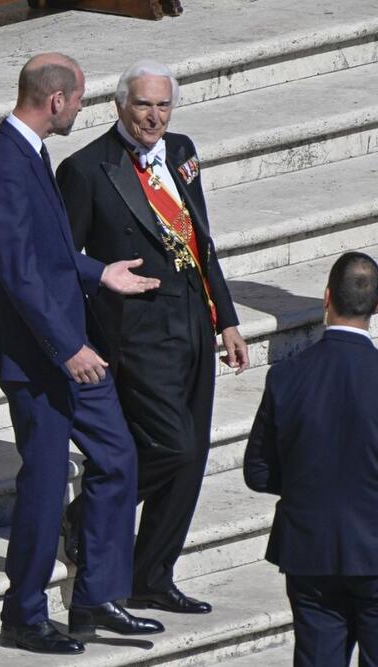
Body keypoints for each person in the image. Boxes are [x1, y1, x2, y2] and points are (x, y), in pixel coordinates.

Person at [0, 53, 166, 655]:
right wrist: (67, 348)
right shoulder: (4, 164)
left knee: (118, 455)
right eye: (79, 99)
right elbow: (17, 272)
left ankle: (96, 598)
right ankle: (24, 613)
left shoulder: (32, 152)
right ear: (55, 100)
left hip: (69, 343)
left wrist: (99, 272)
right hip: (40, 357)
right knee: (45, 480)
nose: (82, 109)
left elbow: (51, 251)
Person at [56, 59, 248, 615]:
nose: (154, 117)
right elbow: (63, 259)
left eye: (163, 105)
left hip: (194, 320)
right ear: (120, 105)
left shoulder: (182, 151)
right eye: (143, 104)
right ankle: (85, 515)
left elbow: (201, 241)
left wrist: (227, 318)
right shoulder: (86, 169)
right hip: (137, 332)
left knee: (193, 455)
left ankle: (152, 576)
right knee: (173, 444)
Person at [244, 252, 378, 667]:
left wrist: (312, 487)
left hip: (312, 549)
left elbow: (258, 472)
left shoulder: (285, 377)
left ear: (327, 297)